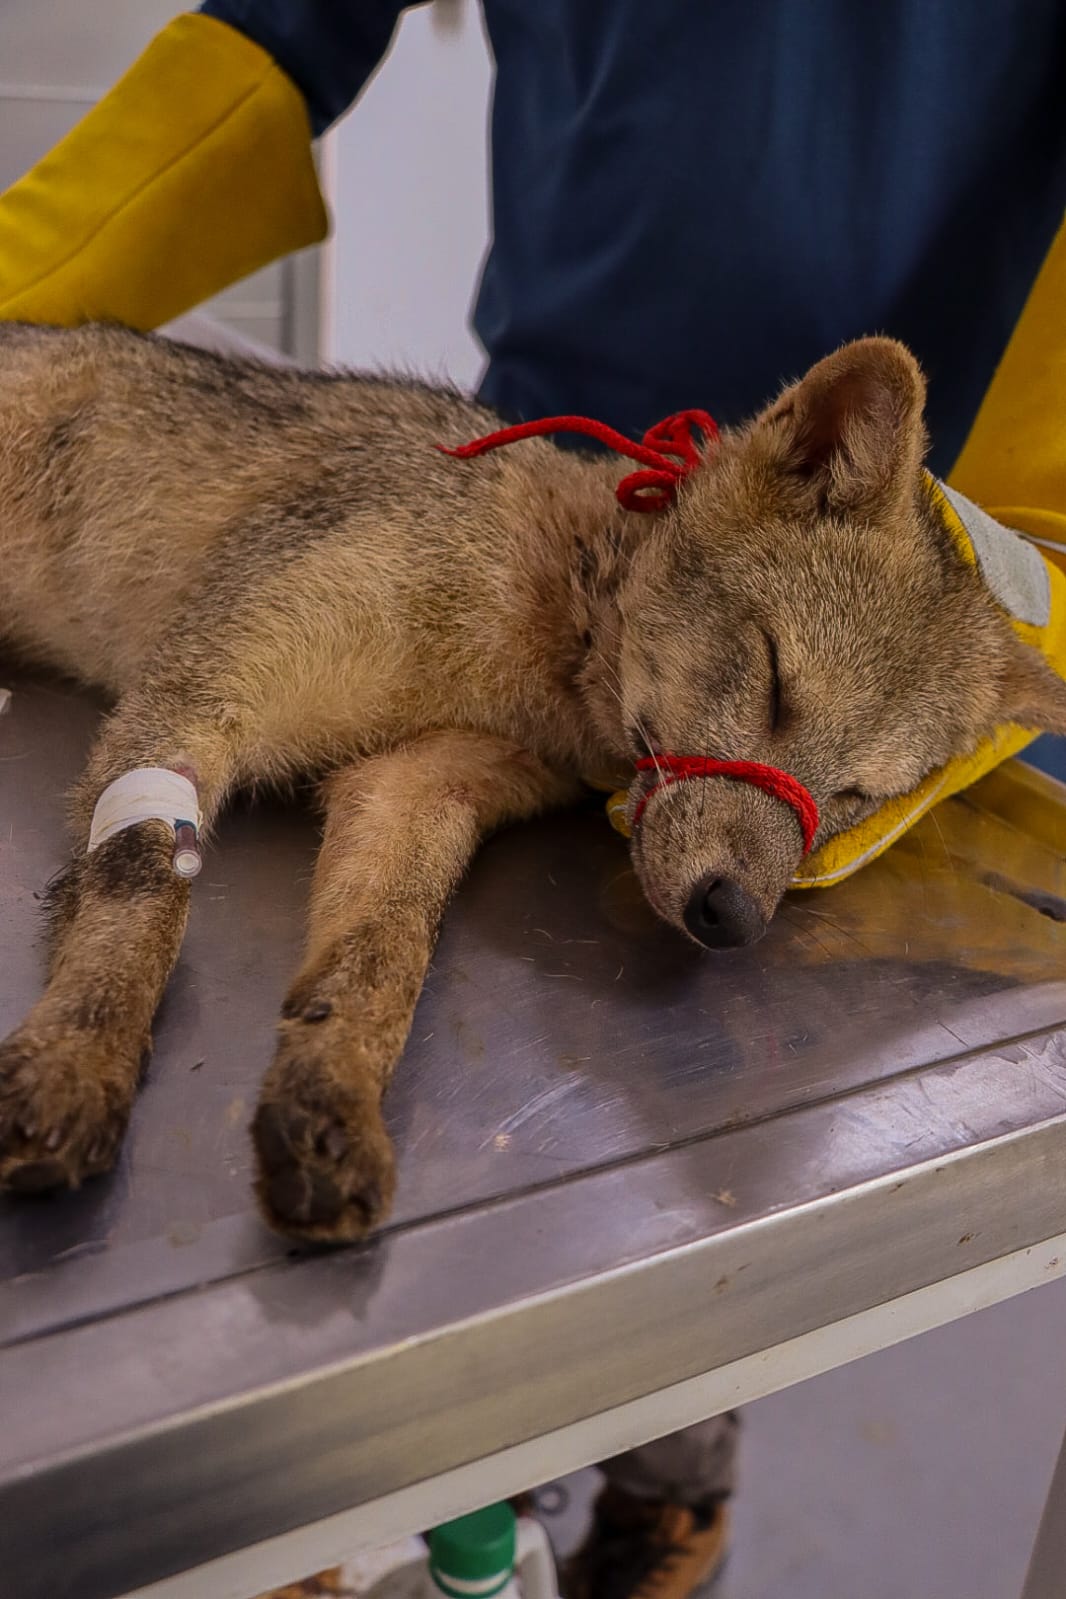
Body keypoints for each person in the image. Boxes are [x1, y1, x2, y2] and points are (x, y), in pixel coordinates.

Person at [2, 6, 1065, 1596]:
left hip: (913, 580)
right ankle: (402, 1502)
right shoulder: (481, 540)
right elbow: (284, 29)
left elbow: (415, 804)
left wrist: (1020, 579)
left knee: (698, 1159)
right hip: (600, 465)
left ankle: (655, 1494)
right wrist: (91, 1018)